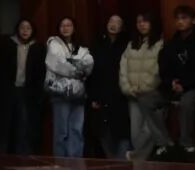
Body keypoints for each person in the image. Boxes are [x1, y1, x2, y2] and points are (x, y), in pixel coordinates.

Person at [0, 19, 46, 155]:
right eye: (22, 28)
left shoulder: (38, 48)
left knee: (24, 122)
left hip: (27, 91)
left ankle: (23, 153)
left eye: (28, 28)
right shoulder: (7, 45)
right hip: (8, 90)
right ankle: (1, 153)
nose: (25, 31)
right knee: (4, 123)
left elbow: (40, 72)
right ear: (17, 30)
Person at [158, 5, 195, 159]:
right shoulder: (173, 43)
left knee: (186, 103)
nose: (180, 22)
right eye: (177, 18)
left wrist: (183, 85)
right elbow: (164, 67)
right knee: (147, 99)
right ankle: (164, 142)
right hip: (174, 85)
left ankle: (186, 143)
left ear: (194, 20)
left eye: (184, 18)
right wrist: (171, 82)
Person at [120, 12, 169, 161]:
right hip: (133, 95)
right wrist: (127, 88)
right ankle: (140, 167)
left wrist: (145, 88)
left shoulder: (161, 44)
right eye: (139, 22)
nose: (141, 24)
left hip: (151, 96)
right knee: (135, 133)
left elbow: (159, 71)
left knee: (150, 130)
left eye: (145, 21)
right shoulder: (131, 45)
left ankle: (136, 157)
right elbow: (123, 69)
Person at [45, 17, 94, 158]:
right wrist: (76, 69)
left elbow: (88, 64)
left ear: (74, 28)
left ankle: (75, 161)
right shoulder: (53, 44)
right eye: (62, 25)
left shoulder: (82, 48)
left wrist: (70, 64)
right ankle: (60, 162)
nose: (65, 28)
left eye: (69, 25)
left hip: (78, 93)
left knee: (76, 129)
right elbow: (56, 63)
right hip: (59, 92)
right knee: (61, 131)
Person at [87, 15, 130, 159]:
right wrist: (93, 96)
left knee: (122, 130)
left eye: (118, 22)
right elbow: (91, 72)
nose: (113, 24)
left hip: (121, 93)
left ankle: (122, 161)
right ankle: (112, 160)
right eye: (111, 21)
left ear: (122, 27)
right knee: (103, 130)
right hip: (101, 92)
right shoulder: (97, 44)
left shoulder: (127, 44)